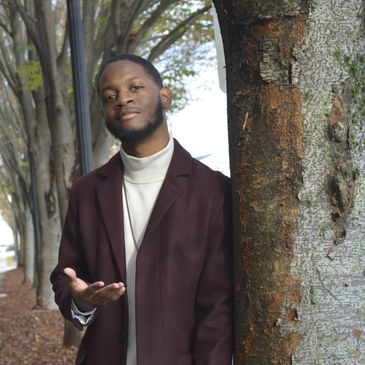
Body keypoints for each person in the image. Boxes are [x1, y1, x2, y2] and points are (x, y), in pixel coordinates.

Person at [50, 54, 233, 365]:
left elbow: (219, 307)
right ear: (106, 112)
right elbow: (65, 277)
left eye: (135, 87)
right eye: (110, 96)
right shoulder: (86, 191)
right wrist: (81, 302)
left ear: (164, 96)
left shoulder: (213, 189)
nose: (122, 99)